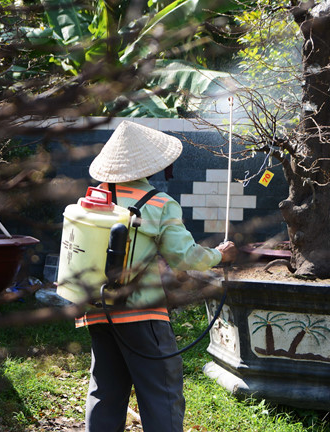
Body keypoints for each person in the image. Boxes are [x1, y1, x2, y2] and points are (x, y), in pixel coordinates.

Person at [68, 120, 237, 432]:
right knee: (162, 389)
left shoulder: (92, 199)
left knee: (105, 389)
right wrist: (219, 255)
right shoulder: (159, 202)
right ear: (150, 164)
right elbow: (184, 256)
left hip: (96, 309)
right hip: (141, 313)